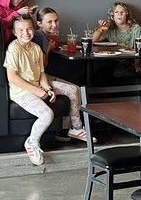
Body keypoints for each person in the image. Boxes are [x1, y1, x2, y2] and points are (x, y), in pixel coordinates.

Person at [5, 14, 88, 167]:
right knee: (47, 114)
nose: (26, 33)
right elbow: (12, 78)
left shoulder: (36, 48)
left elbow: (42, 72)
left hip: (37, 83)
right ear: (15, 32)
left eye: (29, 29)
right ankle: (32, 142)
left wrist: (47, 88)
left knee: (72, 90)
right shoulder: (14, 49)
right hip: (21, 91)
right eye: (21, 30)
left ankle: (76, 127)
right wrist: (37, 91)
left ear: (34, 29)